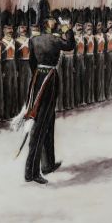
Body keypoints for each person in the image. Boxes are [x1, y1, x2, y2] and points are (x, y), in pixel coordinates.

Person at [20, 21, 74, 184]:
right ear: (50, 27)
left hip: (38, 79)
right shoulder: (55, 40)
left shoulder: (33, 40)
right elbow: (70, 45)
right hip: (49, 80)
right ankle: (31, 172)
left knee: (48, 121)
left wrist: (39, 74)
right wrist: (67, 29)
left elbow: (32, 63)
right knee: (41, 125)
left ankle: (48, 164)